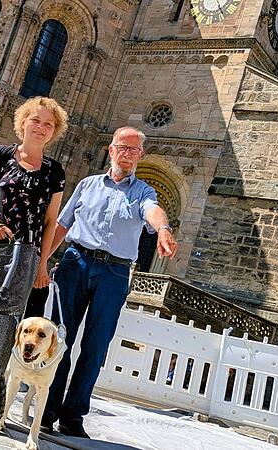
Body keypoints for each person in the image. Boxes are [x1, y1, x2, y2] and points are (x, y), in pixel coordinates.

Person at [41, 126, 178, 438]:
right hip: (75, 262)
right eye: (122, 147)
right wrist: (43, 261)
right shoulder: (88, 184)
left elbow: (152, 211)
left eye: (134, 150)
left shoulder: (143, 191)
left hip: (114, 274)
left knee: (96, 344)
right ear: (111, 149)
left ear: (140, 156)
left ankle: (73, 416)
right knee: (59, 338)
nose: (127, 154)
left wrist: (164, 229)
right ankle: (48, 410)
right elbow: (63, 225)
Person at [0, 96, 68, 372]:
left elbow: (50, 222)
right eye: (35, 120)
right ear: (23, 122)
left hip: (25, 256)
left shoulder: (54, 171)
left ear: (53, 131)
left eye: (48, 124)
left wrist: (43, 263)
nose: (41, 127)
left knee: (6, 323)